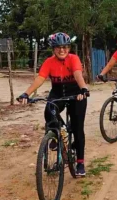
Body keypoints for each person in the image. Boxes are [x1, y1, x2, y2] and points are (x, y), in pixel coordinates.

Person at [17, 32, 90, 177]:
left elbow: (77, 74)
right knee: (49, 110)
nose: (62, 50)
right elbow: (40, 78)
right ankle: (58, 133)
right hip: (57, 93)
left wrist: (83, 88)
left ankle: (80, 162)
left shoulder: (73, 59)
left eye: (64, 47)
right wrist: (26, 93)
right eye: (58, 47)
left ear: (68, 48)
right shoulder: (49, 62)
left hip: (76, 93)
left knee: (77, 129)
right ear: (53, 49)